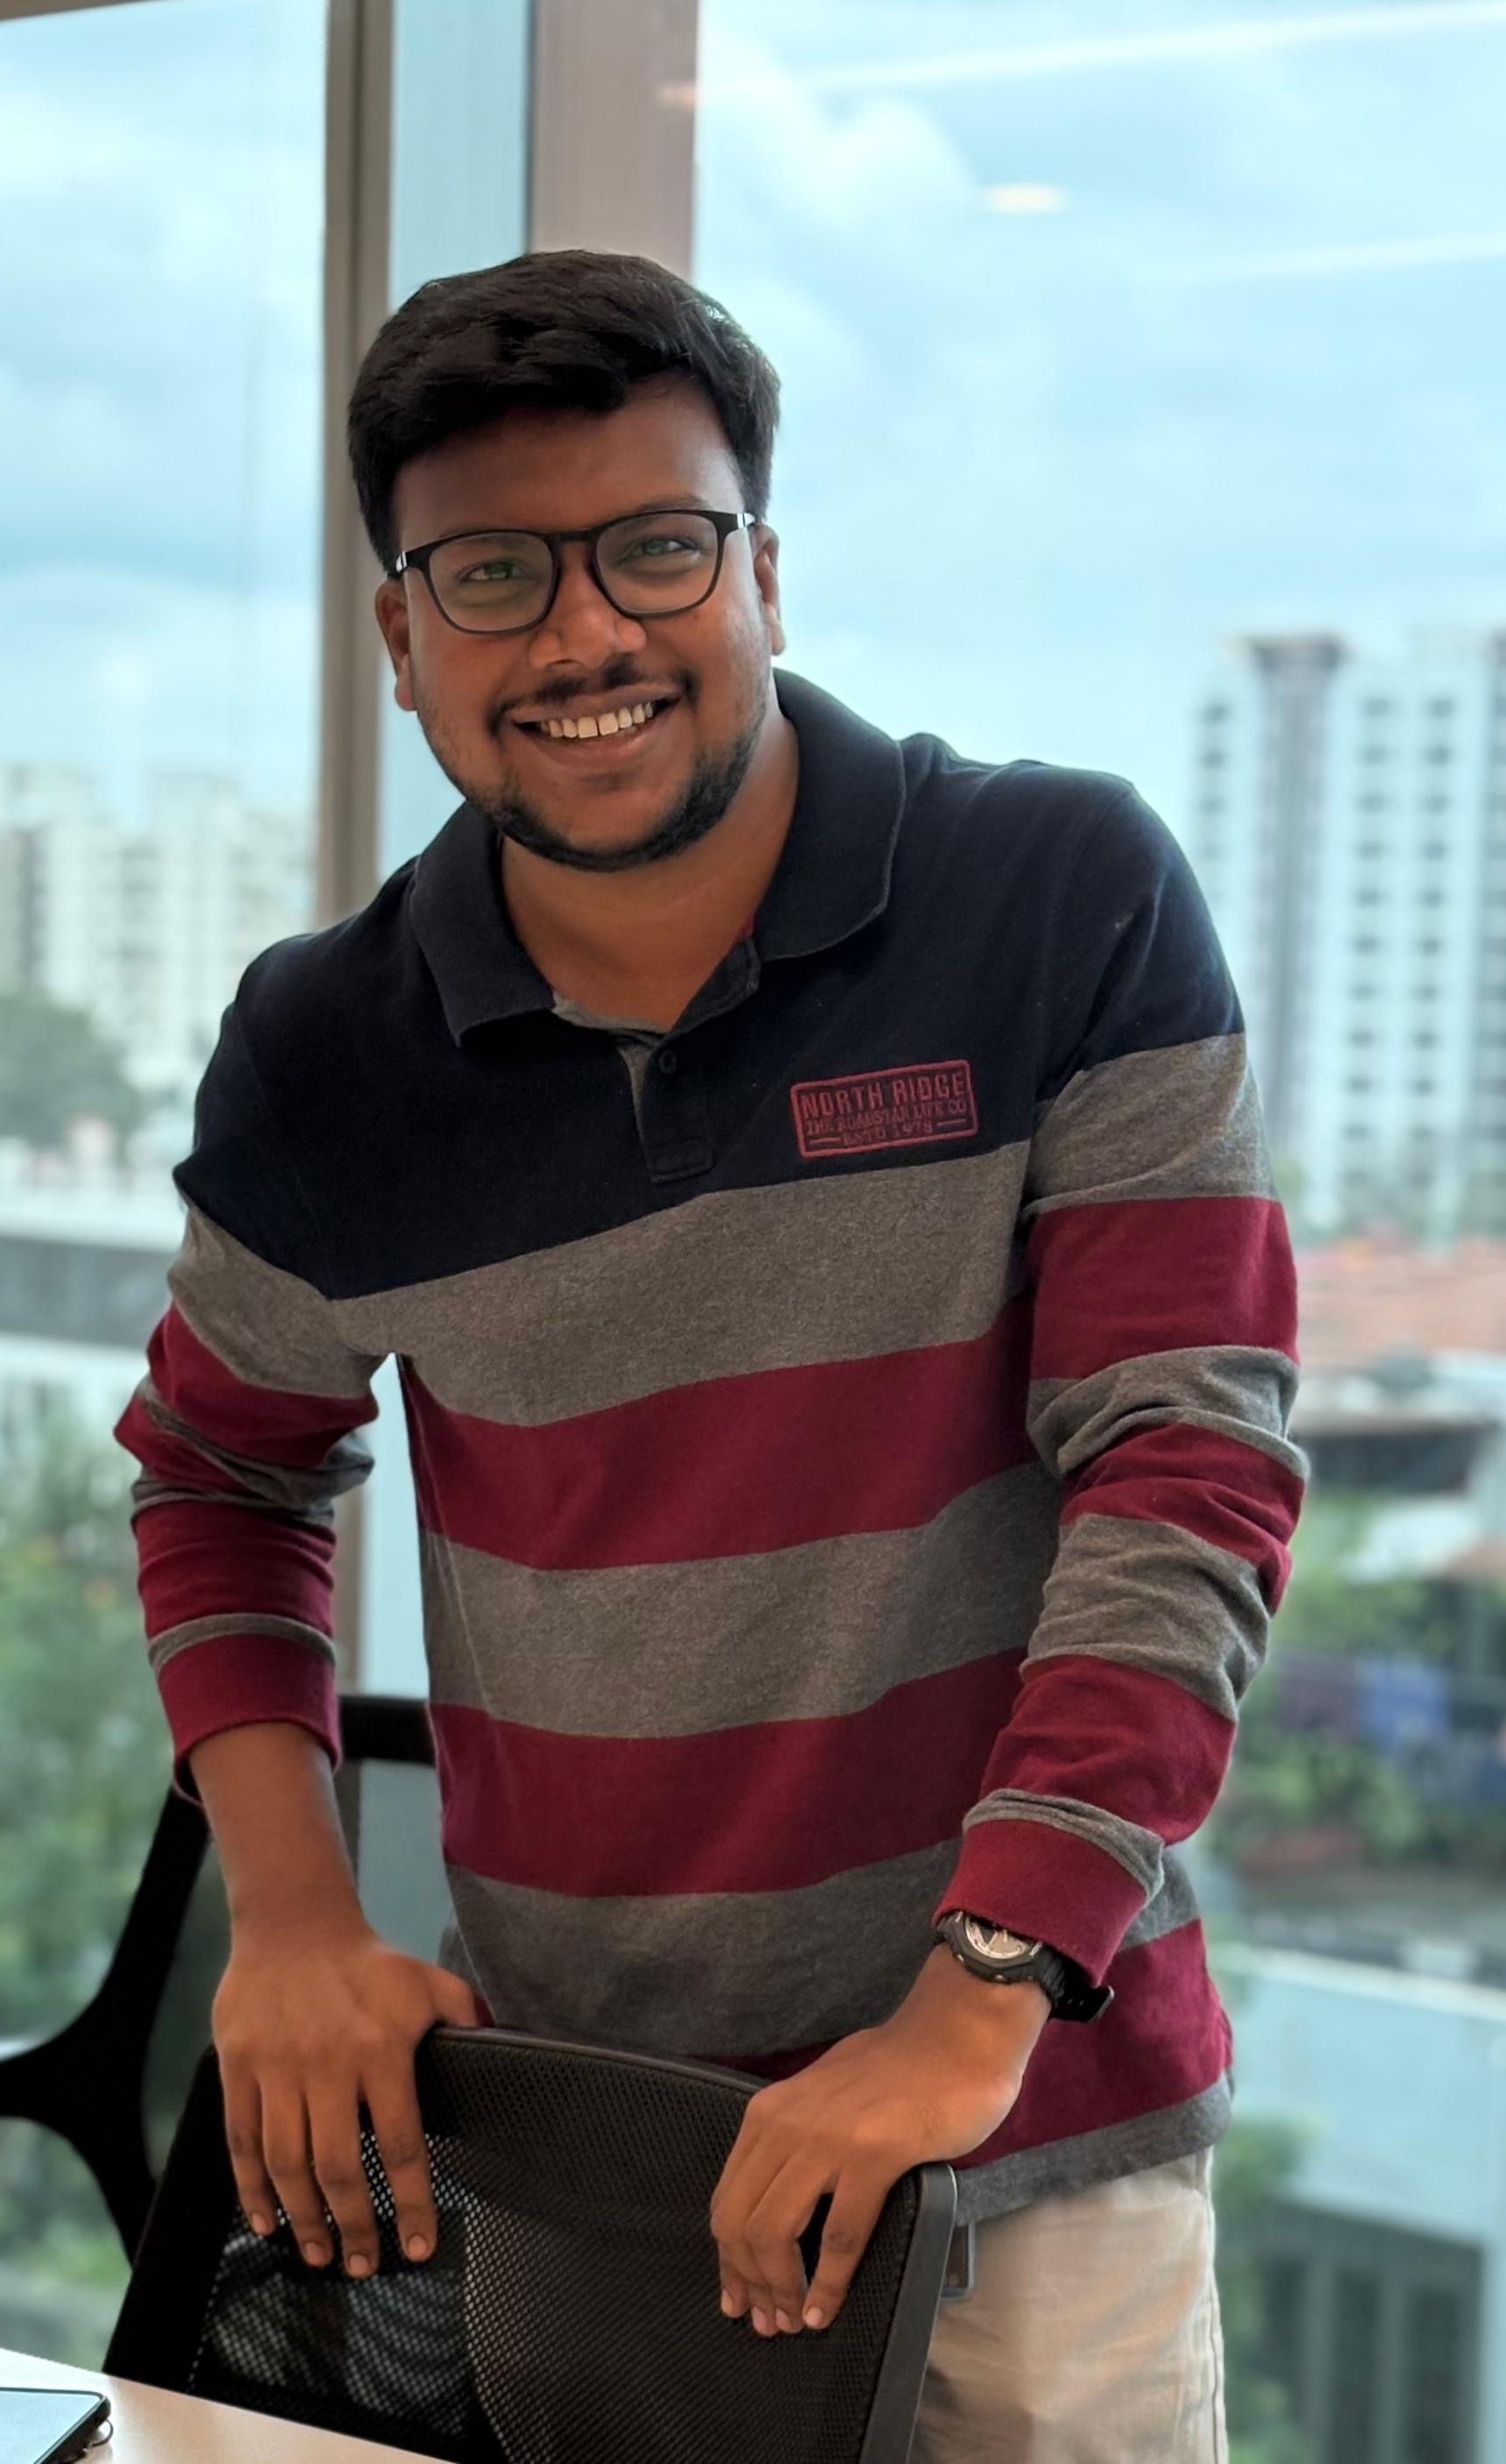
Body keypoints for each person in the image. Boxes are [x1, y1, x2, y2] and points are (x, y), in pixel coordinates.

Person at [114, 247, 1303, 2460]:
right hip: (599, 2140)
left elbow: (1187, 1466)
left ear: (763, 564)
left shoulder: (1058, 894)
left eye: (658, 545)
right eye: (491, 572)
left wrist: (980, 1994)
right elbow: (220, 1466)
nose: (585, 633)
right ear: (401, 635)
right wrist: (287, 1913)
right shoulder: (330, 1051)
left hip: (1032, 2115)